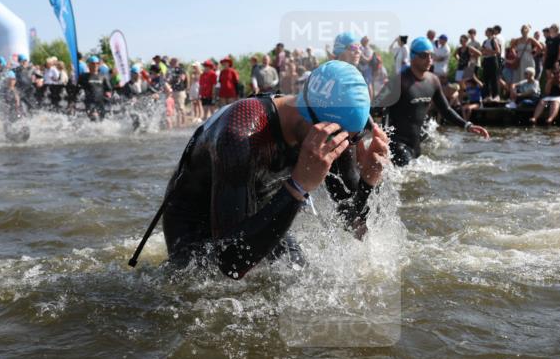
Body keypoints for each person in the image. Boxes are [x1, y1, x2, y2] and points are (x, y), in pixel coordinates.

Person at [146, 60, 389, 278]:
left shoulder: (332, 131)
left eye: (353, 139)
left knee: (300, 275)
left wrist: (368, 180)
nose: (344, 146)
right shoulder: (241, 134)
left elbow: (350, 219)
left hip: (255, 215)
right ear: (315, 120)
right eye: (341, 138)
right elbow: (230, 262)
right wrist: (298, 186)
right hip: (195, 229)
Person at [373, 36, 489, 166]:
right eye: (424, 55)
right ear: (412, 56)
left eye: (431, 55)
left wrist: (467, 125)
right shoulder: (399, 81)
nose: (429, 60)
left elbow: (446, 109)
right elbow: (375, 106)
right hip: (397, 145)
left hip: (416, 146)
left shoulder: (433, 81)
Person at [78, 55, 113, 121]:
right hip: (89, 102)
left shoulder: (103, 76)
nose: (95, 65)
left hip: (100, 103)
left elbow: (109, 89)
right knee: (94, 117)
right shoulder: (83, 76)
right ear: (89, 65)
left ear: (99, 65)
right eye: (93, 63)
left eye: (97, 63)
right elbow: (78, 88)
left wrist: (108, 94)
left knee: (100, 122)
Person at [480, 27, 502, 100]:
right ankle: (487, 96)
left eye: (486, 31)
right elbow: (482, 51)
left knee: (494, 79)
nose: (485, 32)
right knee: (486, 79)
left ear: (490, 32)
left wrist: (488, 51)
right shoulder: (485, 41)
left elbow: (498, 51)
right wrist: (485, 52)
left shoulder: (494, 40)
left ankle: (496, 96)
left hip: (492, 60)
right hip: (486, 60)